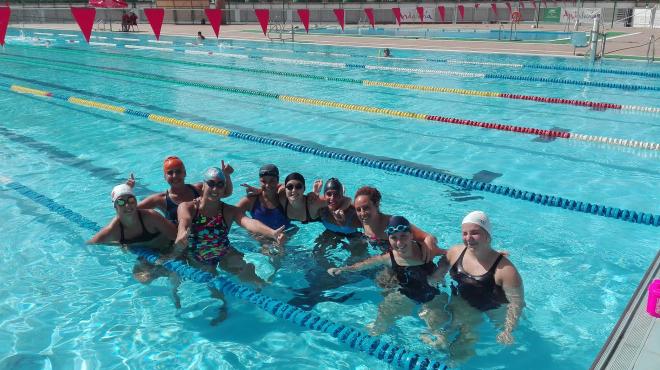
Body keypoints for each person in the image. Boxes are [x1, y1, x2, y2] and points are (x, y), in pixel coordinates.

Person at [327, 216, 448, 339]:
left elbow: (451, 256)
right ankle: (376, 333)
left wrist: (439, 273)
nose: (399, 243)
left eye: (403, 236)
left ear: (411, 235)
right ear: (389, 239)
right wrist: (342, 269)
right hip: (406, 295)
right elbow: (364, 265)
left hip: (433, 297)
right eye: (394, 238)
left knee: (438, 334)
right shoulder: (389, 257)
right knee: (383, 312)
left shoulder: (425, 249)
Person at [175, 167, 287, 281]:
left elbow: (248, 222)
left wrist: (272, 233)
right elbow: (184, 221)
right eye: (211, 183)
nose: (215, 188)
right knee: (215, 288)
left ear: (224, 189)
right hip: (198, 257)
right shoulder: (188, 207)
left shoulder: (228, 211)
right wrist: (181, 233)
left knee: (249, 276)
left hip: (225, 252)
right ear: (203, 185)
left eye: (220, 185)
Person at [443, 210, 524, 360]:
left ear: (487, 235)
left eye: (474, 233)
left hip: (491, 307)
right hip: (461, 302)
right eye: (465, 233)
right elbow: (436, 275)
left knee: (463, 344)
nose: (468, 238)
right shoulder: (455, 253)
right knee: (441, 337)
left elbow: (517, 303)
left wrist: (508, 330)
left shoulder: (506, 271)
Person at [87, 183, 183, 306]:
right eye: (121, 202)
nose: (127, 205)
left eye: (131, 200)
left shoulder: (151, 217)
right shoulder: (114, 229)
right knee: (143, 278)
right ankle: (164, 280)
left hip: (169, 249)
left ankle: (174, 293)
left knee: (175, 274)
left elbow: (178, 238)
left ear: (136, 202)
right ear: (115, 206)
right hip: (149, 256)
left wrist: (171, 255)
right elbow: (91, 244)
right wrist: (120, 243)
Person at [136, 156, 233, 224]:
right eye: (170, 173)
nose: (175, 176)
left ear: (185, 173)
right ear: (164, 177)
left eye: (178, 171)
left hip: (202, 237)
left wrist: (227, 176)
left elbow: (225, 193)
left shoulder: (198, 188)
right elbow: (131, 210)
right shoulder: (160, 199)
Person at [354, 186, 444, 260]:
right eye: (358, 209)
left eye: (366, 208)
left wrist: (429, 249)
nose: (362, 213)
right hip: (382, 257)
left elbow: (429, 237)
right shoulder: (360, 221)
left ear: (376, 205)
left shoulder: (392, 223)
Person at [237, 164, 292, 241]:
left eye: (272, 181)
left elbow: (287, 185)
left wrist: (260, 189)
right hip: (261, 239)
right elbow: (233, 212)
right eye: (263, 181)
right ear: (259, 181)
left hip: (286, 237)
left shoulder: (284, 197)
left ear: (277, 180)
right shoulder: (251, 200)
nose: (267, 185)